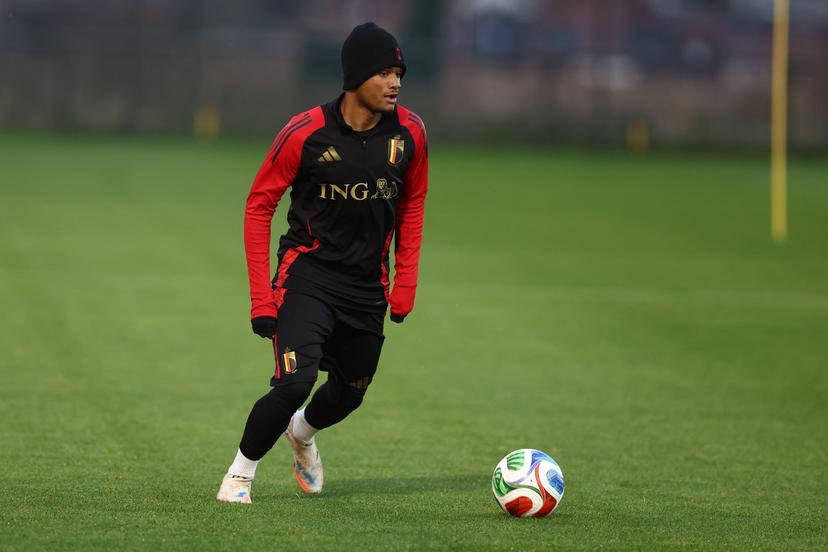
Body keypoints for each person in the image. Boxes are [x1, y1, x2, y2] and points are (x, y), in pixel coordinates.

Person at [217, 22, 428, 503]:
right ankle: (239, 476)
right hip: (307, 276)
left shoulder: (411, 133)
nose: (396, 82)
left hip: (366, 286)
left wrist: (406, 281)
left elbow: (413, 203)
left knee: (351, 390)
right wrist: (260, 299)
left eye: (400, 73)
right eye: (385, 73)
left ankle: (302, 434)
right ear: (355, 77)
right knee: (295, 381)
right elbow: (258, 207)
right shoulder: (304, 132)